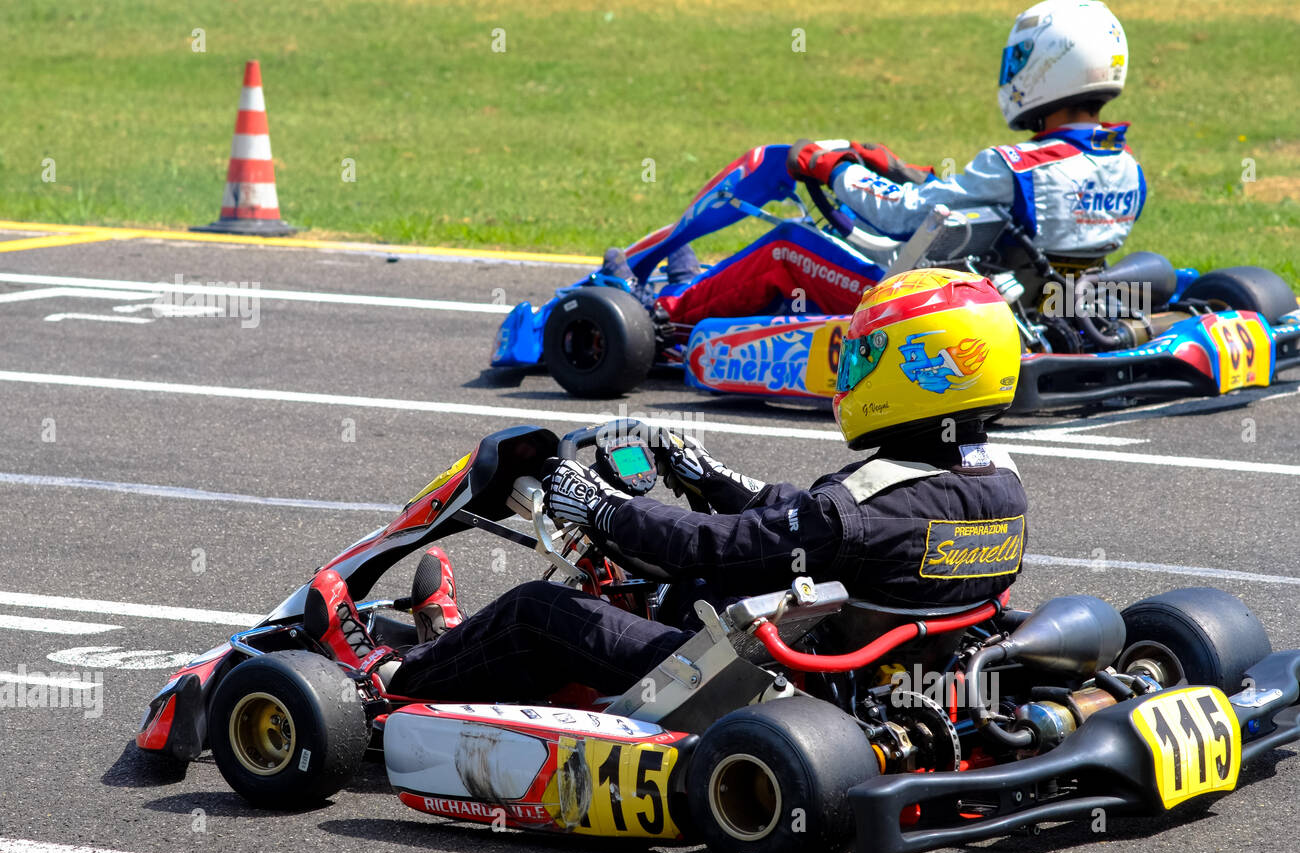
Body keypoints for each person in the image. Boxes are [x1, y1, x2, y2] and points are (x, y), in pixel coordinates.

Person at [298, 269, 1030, 703]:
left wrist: (604, 507)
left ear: (922, 371)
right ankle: (454, 655)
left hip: (772, 686)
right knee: (651, 594)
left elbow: (707, 547)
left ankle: (390, 680)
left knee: (537, 610)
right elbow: (800, 528)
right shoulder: (998, 484)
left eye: (871, 354)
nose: (852, 370)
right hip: (878, 665)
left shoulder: (873, 502)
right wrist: (709, 476)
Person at [607, 0, 1143, 329]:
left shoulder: (1014, 163)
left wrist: (832, 167)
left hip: (935, 305)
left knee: (787, 246)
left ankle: (660, 313)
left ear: (1050, 67)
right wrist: (897, 167)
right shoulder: (1124, 166)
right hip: (1028, 304)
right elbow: (955, 203)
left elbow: (901, 217)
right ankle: (688, 283)